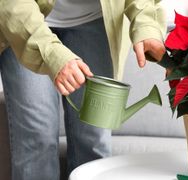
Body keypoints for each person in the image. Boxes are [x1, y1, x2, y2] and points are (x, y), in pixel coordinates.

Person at [0, 0, 166, 180]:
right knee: (36, 139)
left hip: (96, 21)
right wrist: (52, 54)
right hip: (23, 20)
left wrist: (147, 24)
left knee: (93, 141)